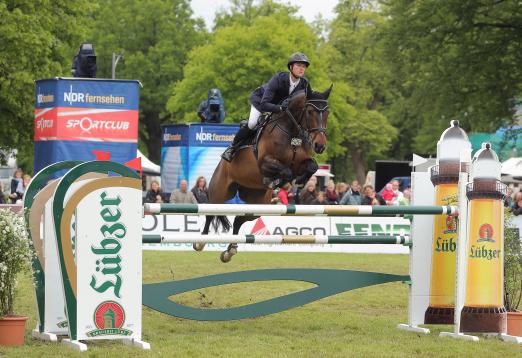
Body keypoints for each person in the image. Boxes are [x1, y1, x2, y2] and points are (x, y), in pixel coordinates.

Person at [222, 52, 315, 162]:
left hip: (282, 110)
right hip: (261, 102)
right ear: (291, 67)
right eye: (299, 65)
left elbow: (310, 101)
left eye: (304, 66)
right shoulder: (278, 79)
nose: (301, 69)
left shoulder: (304, 84)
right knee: (252, 123)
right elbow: (264, 104)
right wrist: (280, 108)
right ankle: (232, 148)